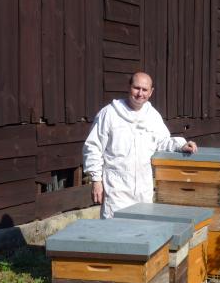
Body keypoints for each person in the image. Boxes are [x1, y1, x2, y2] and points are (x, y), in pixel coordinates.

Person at [83, 72, 198, 218]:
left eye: (144, 89)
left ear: (151, 92)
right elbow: (93, 146)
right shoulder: (109, 114)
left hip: (144, 189)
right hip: (116, 189)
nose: (140, 93)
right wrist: (96, 180)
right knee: (114, 233)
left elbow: (162, 141)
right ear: (129, 87)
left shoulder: (153, 116)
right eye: (136, 88)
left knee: (142, 233)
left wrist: (181, 145)